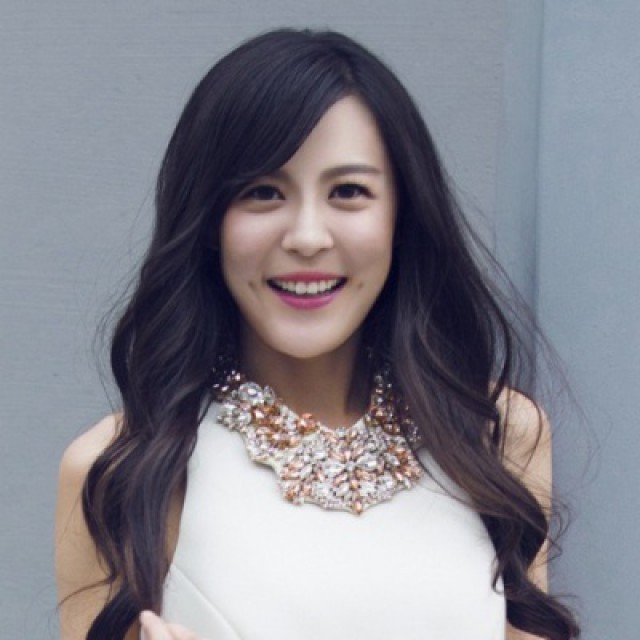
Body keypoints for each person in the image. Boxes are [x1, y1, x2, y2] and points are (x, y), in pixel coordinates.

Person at [55, 28, 580, 640]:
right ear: (208, 221)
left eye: (348, 192)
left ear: (401, 217)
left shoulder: (496, 434)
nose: (307, 236)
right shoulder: (122, 472)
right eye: (263, 193)